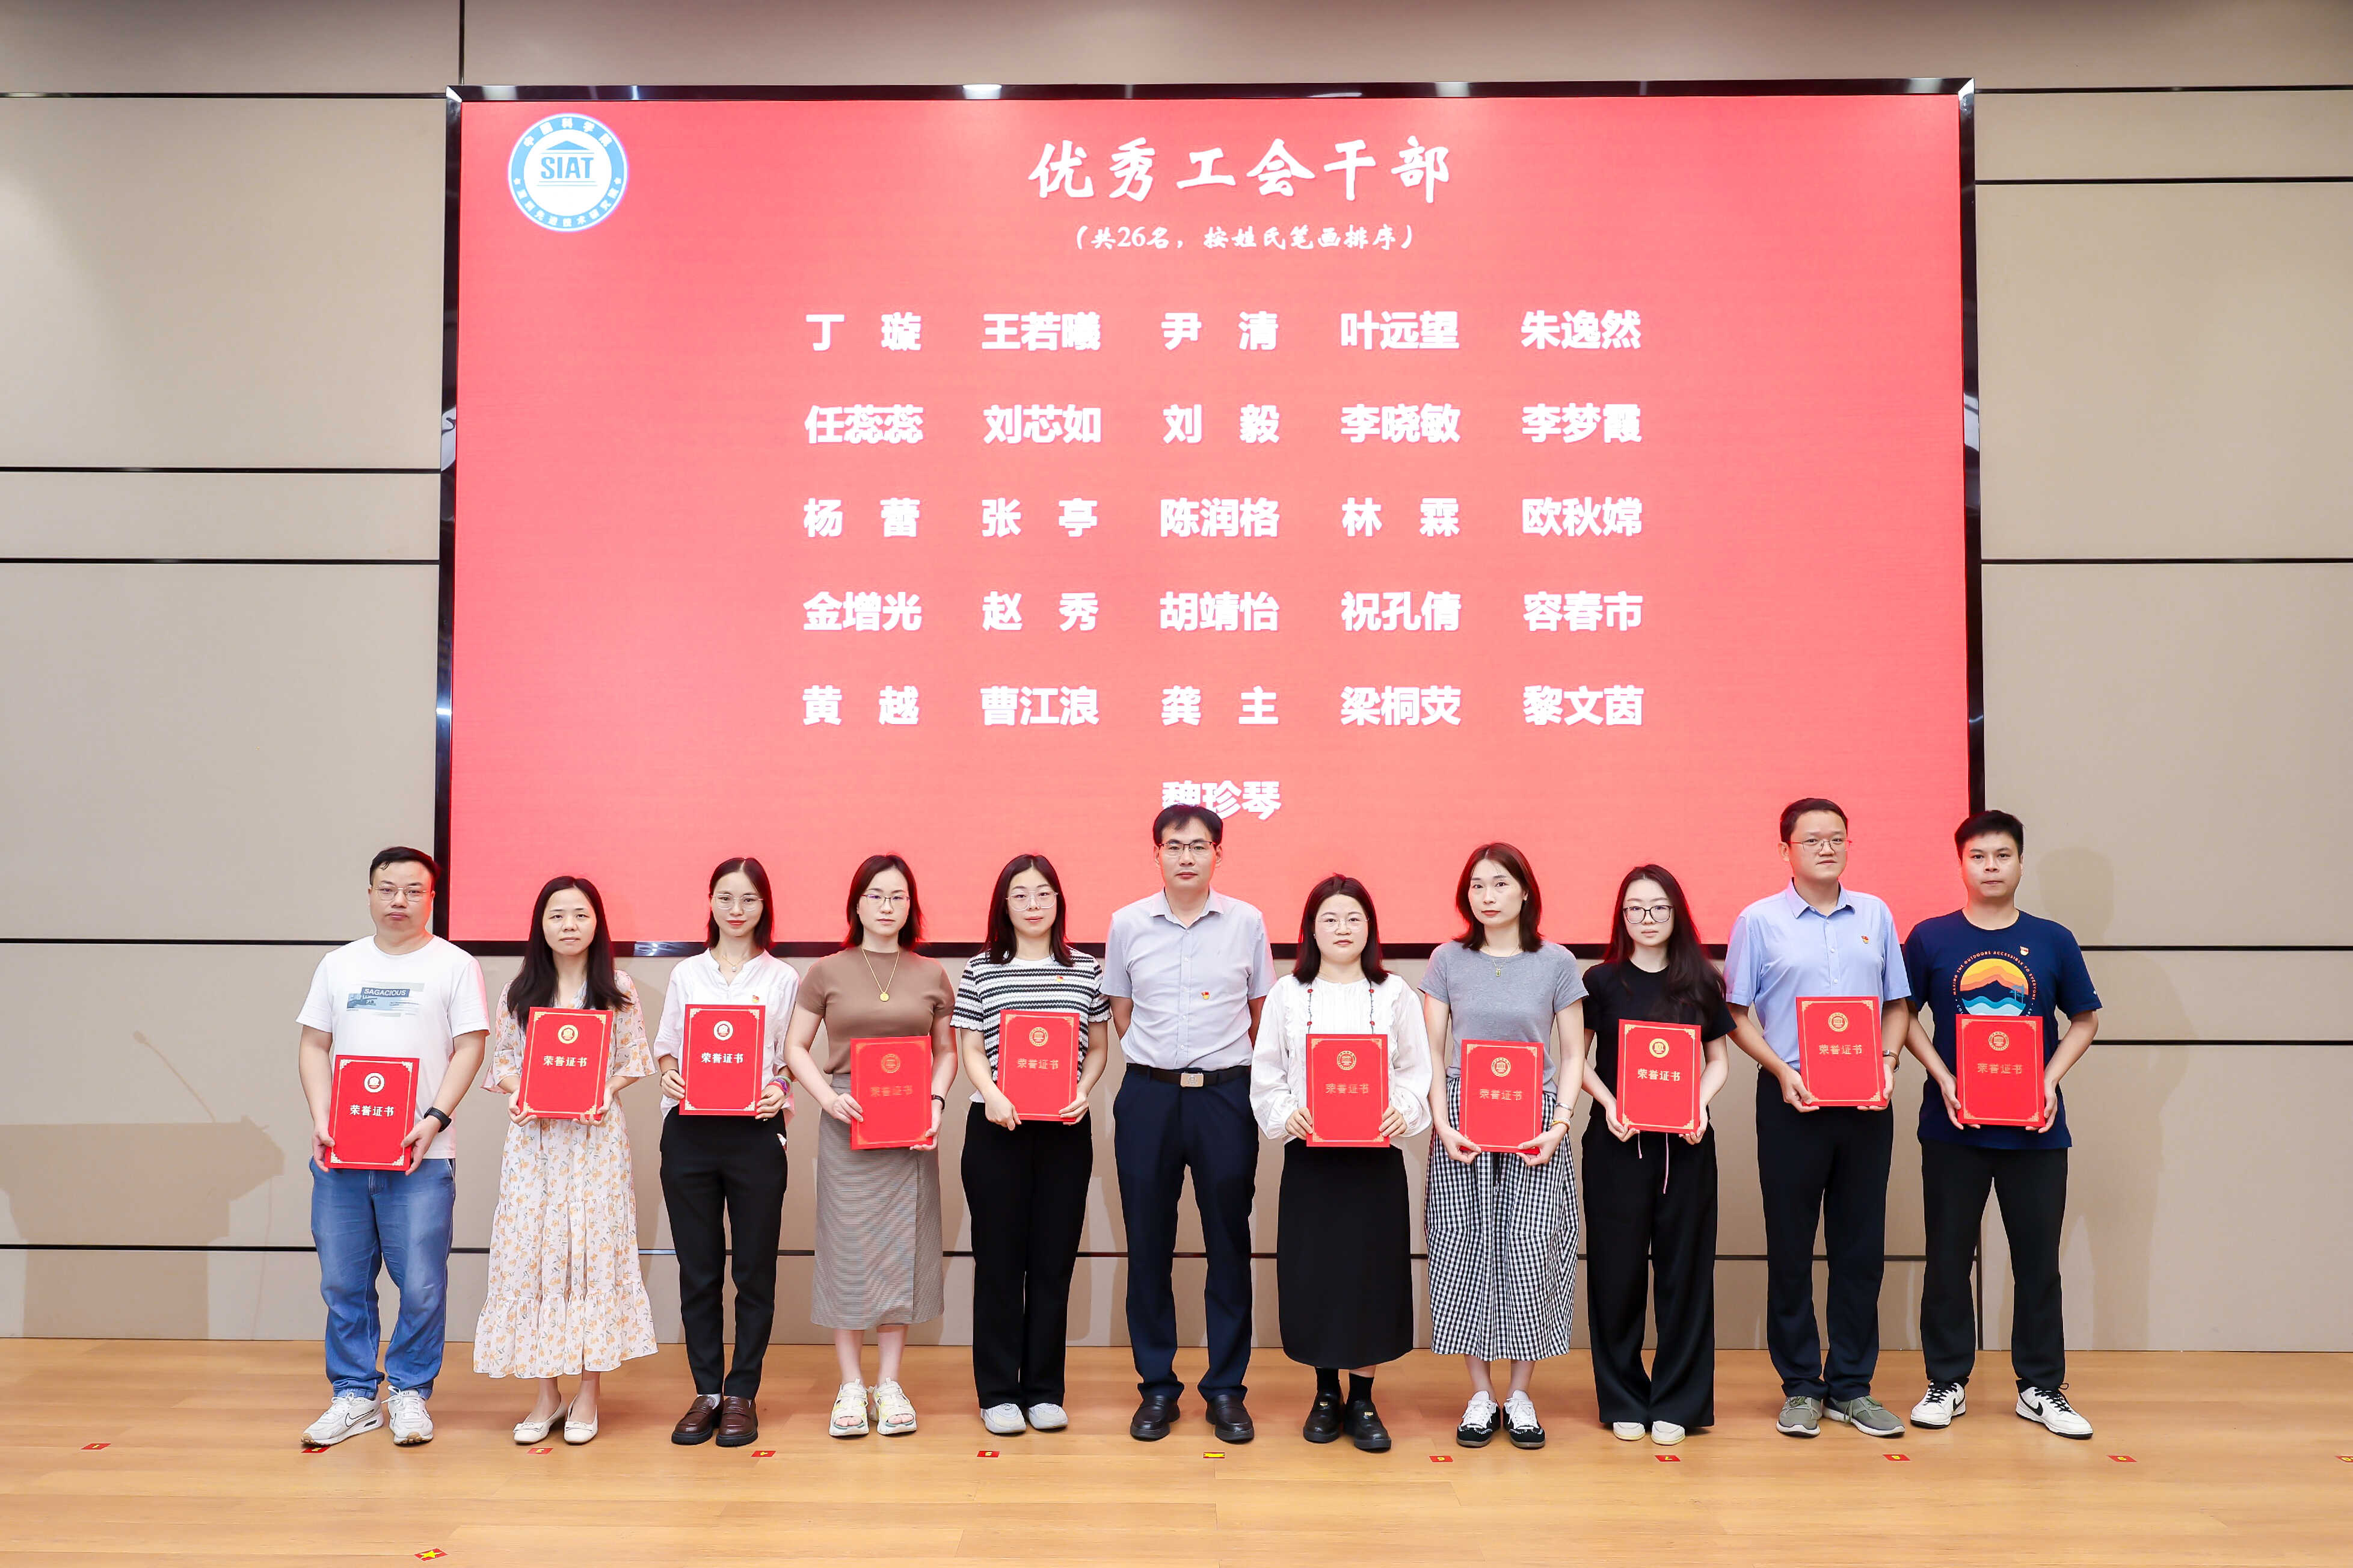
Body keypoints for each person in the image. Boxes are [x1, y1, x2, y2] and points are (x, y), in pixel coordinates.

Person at [1901, 810, 2102, 1440]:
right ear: (1961, 863)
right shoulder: (1930, 937)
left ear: (2020, 862)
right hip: (1953, 1126)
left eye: (2003, 856)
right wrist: (1943, 1076)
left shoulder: (2053, 939)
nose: (1991, 867)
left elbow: (2086, 1019)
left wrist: (2048, 1079)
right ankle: (1946, 1381)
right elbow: (1901, 1014)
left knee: (2038, 1262)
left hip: (2036, 1131)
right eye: (1978, 856)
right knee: (1948, 1259)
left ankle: (2041, 1388)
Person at [1724, 798, 1913, 1440]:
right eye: (1812, 840)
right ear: (1786, 850)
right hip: (1792, 1101)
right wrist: (1782, 1070)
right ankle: (1803, 1385)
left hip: (1867, 1104)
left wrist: (1887, 1062)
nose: (1827, 848)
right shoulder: (1759, 920)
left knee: (1860, 1249)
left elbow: (1897, 1003)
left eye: (1837, 837)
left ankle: (1852, 1386)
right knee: (1791, 1248)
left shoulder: (1876, 914)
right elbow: (1736, 1014)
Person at [295, 847, 488, 1448]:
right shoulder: (339, 964)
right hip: (343, 1153)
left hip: (421, 1155)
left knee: (422, 1284)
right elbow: (313, 1045)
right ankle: (354, 1394)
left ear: (432, 897)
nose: (398, 900)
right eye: (386, 889)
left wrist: (435, 1117)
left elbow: (471, 1046)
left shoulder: (455, 965)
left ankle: (409, 1391)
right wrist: (322, 1117)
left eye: (412, 890)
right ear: (370, 894)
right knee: (343, 1282)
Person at [1103, 805, 1276, 1444]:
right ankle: (1157, 1388)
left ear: (1217, 855)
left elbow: (1260, 1012)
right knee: (1148, 1243)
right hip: (1149, 1096)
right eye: (1174, 846)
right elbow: (1122, 1011)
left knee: (1228, 1243)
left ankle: (1226, 1389)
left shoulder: (1247, 922)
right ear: (1156, 853)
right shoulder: (1126, 923)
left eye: (1199, 846)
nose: (1186, 857)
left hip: (1225, 1098)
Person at [1249, 875, 1432, 1452]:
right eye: (1330, 918)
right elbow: (1267, 1072)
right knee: (1318, 1272)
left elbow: (1416, 1071)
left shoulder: (1395, 993)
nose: (1343, 928)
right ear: (1311, 929)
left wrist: (1403, 1109)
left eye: (1354, 917)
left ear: (1370, 927)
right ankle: (1326, 1393)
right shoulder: (1288, 993)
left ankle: (1364, 1398)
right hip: (1313, 1158)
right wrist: (1288, 1113)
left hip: (1375, 1161)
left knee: (1369, 1274)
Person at [474, 875, 659, 1444]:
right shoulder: (520, 990)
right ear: (541, 924)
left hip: (596, 1141)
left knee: (591, 1256)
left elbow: (634, 1058)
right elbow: (504, 1062)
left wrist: (606, 1089)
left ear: (597, 923)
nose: (569, 925)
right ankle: (546, 1394)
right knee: (538, 1257)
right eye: (557, 915)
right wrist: (518, 1093)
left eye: (580, 914)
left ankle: (588, 1393)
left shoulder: (618, 988)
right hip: (536, 1146)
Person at [1421, 843, 1587, 1450]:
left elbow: (1573, 1052)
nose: (1487, 896)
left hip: (1535, 1123)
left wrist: (1561, 1123)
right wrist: (1442, 1123)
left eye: (1499, 884)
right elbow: (1432, 1051)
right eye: (1476, 886)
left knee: (1531, 1249)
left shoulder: (1556, 961)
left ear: (1524, 890)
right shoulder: (1446, 959)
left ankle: (1519, 1394)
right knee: (1461, 1248)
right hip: (1462, 1121)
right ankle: (1479, 1393)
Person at [785, 853, 956, 1439]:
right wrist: (827, 1099)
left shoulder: (931, 974)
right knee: (849, 1250)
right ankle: (851, 1386)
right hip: (847, 1120)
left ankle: (889, 1383)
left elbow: (946, 1052)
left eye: (898, 897)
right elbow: (795, 1047)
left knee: (898, 1251)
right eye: (876, 895)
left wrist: (935, 1102)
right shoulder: (825, 971)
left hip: (911, 1127)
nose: (887, 906)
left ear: (912, 906)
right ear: (857, 903)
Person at [953, 853, 1111, 1436]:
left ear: (1058, 901)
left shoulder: (1086, 969)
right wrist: (993, 1093)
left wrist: (1083, 1090)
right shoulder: (980, 970)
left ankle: (1044, 1390)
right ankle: (997, 1393)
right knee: (999, 1264)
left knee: (1052, 1264)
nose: (1033, 904)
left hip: (1064, 1132)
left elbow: (1099, 1046)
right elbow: (971, 1047)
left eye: (1044, 893)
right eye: (1020, 894)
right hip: (997, 1130)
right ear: (1004, 904)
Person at [1578, 865, 1733, 1446]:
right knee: (1615, 1274)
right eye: (1635, 909)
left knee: (1685, 1274)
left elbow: (1718, 1061)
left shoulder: (1702, 980)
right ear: (1621, 917)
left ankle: (1679, 1401)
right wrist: (1610, 1104)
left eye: (1659, 908)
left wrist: (1698, 1105)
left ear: (1676, 913)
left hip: (1685, 1148)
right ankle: (1622, 1396)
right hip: (1617, 1145)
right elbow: (1575, 1061)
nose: (1647, 919)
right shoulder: (1600, 981)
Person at [653, 856, 796, 1448]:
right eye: (726, 897)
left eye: (749, 899)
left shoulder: (783, 977)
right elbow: (667, 1046)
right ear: (710, 902)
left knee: (754, 1270)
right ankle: (707, 1391)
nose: (737, 910)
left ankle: (742, 1392)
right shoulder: (687, 973)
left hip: (756, 1133)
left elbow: (789, 1057)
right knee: (699, 1268)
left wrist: (780, 1086)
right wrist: (669, 1072)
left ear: (765, 907)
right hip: (689, 1132)